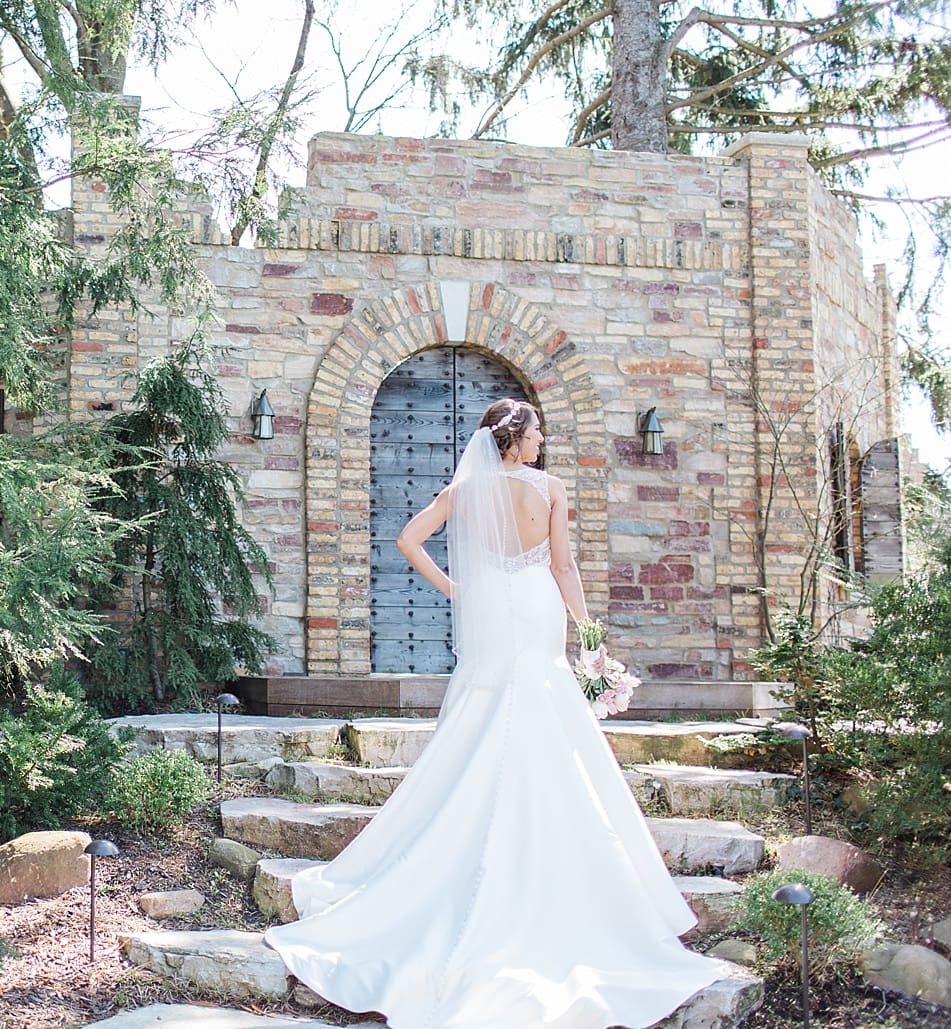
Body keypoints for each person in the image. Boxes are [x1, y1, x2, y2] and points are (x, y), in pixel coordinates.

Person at [264, 398, 725, 1028]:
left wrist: (458, 588)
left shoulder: (467, 489)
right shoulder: (551, 489)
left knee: (487, 710)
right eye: (536, 430)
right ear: (516, 437)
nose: (542, 439)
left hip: (490, 609)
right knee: (540, 700)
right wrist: (588, 631)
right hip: (536, 604)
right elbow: (563, 564)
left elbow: (407, 540)